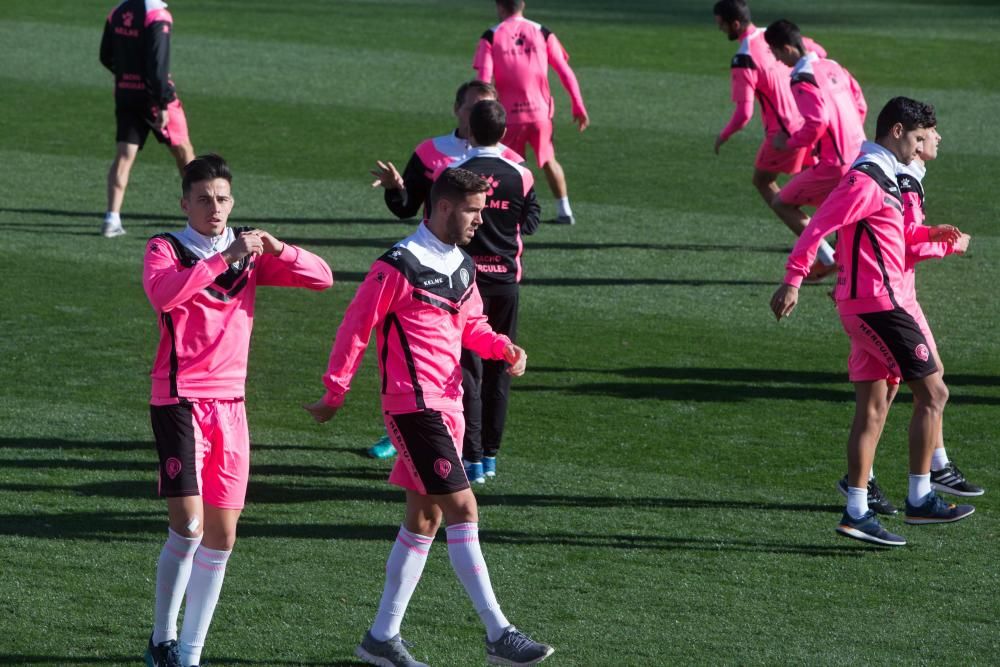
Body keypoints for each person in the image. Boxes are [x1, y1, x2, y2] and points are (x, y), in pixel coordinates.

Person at [304, 168, 553, 667]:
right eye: (473, 211)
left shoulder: (462, 265)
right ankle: (498, 633)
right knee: (463, 509)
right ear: (443, 208)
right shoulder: (397, 266)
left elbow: (472, 325)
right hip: (413, 407)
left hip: (450, 406)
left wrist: (503, 346)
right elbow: (356, 325)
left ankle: (381, 638)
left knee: (425, 517)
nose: (480, 221)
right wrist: (335, 392)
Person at [142, 154, 333, 667]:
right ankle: (162, 637)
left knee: (222, 536)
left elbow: (322, 278)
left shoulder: (247, 252)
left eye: (223, 199)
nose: (215, 208)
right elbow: (163, 296)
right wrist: (223, 260)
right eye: (204, 199)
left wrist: (280, 249)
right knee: (188, 525)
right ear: (185, 204)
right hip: (179, 399)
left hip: (231, 405)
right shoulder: (166, 248)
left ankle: (189, 654)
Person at [770, 97, 974, 547]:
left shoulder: (884, 178)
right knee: (935, 392)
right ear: (897, 132)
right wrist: (792, 281)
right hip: (879, 305)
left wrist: (936, 236)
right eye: (920, 138)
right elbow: (817, 225)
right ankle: (921, 495)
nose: (923, 147)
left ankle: (856, 510)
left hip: (868, 302)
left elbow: (895, 239)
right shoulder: (866, 179)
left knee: (876, 405)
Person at [368, 80, 523, 460]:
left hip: (484, 275)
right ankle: (406, 427)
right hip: (435, 275)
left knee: (481, 366)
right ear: (458, 110)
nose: (479, 115)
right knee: (435, 358)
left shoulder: (512, 163)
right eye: (473, 108)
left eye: (487, 108)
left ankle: (477, 449)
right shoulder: (432, 152)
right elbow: (407, 207)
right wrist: (394, 189)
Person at [834, 124, 984, 511]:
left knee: (888, 396)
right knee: (929, 391)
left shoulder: (895, 175)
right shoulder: (900, 180)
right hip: (887, 300)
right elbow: (902, 246)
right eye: (926, 135)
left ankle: (862, 492)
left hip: (878, 297)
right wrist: (949, 245)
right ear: (906, 139)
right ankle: (923, 485)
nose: (934, 140)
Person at [445, 99, 541, 483]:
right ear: (504, 134)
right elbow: (531, 222)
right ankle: (490, 456)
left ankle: (470, 456)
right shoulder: (522, 174)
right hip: (504, 282)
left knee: (467, 370)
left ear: (469, 130)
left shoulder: (454, 173)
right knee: (502, 365)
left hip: (464, 282)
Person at [765, 19, 868, 281]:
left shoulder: (801, 78)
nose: (777, 59)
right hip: (860, 154)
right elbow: (861, 104)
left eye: (776, 53)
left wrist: (789, 144)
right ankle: (849, 264)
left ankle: (828, 257)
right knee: (846, 213)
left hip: (835, 163)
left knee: (782, 202)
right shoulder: (832, 65)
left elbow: (817, 121)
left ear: (787, 48)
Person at [474, 0, 589, 225]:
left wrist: (480, 114)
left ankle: (511, 214)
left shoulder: (491, 35)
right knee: (549, 160)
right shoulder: (542, 32)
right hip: (540, 114)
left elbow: (484, 81)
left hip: (508, 117)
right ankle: (565, 211)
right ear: (522, 5)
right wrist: (578, 104)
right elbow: (565, 72)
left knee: (510, 165)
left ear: (499, 6)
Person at [712, 2, 827, 214]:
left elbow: (744, 115)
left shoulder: (744, 58)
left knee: (763, 181)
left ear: (735, 24)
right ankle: (843, 234)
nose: (720, 29)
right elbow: (820, 52)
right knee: (819, 185)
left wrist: (724, 135)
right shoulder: (776, 36)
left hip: (783, 133)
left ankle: (817, 245)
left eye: (721, 24)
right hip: (809, 121)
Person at [100, 0, 196, 238]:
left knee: (124, 155)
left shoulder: (118, 11)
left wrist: (125, 77)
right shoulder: (157, 15)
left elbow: (105, 56)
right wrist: (162, 102)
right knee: (184, 152)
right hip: (155, 99)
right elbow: (158, 64)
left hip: (125, 94)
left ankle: (112, 218)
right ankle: (200, 215)